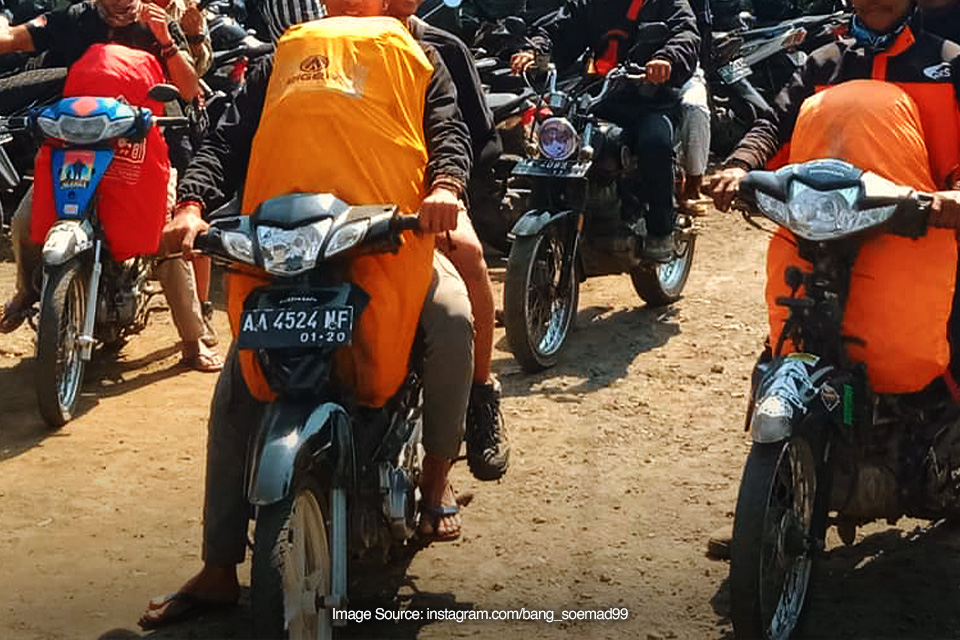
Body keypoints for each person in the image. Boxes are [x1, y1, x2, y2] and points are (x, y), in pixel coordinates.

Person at [138, 0, 476, 628]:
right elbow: (227, 136)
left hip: (392, 241)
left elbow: (450, 131)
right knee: (238, 381)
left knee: (453, 318)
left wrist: (446, 187)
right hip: (289, 244)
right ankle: (217, 568)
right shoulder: (281, 59)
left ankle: (434, 480)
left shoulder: (420, 56)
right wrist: (189, 203)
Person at [704, 0, 960, 559]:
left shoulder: (947, 62)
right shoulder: (822, 61)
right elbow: (774, 123)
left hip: (921, 235)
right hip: (821, 239)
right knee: (789, 345)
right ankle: (769, 507)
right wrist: (740, 167)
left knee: (949, 342)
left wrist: (954, 195)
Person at [0, 0, 222, 371]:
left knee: (163, 236)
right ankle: (26, 292)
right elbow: (14, 38)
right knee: (24, 222)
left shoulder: (158, 22)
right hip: (78, 147)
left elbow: (187, 89)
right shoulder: (77, 18)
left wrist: (166, 40)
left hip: (146, 148)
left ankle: (191, 339)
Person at [388, 0, 510, 481]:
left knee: (472, 256)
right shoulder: (325, 45)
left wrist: (446, 188)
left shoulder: (441, 48)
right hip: (350, 197)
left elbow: (478, 139)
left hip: (428, 197)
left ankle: (481, 394)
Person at [512, 0, 701, 262]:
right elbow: (559, 29)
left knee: (654, 142)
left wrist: (666, 58)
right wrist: (535, 51)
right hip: (598, 97)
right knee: (556, 139)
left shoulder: (666, 3)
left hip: (649, 98)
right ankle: (549, 216)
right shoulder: (590, 4)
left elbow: (686, 34)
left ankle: (661, 230)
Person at [677, 0, 711, 216]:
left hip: (681, 69)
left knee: (694, 107)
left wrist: (668, 59)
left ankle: (693, 186)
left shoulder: (676, 5)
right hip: (619, 76)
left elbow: (692, 35)